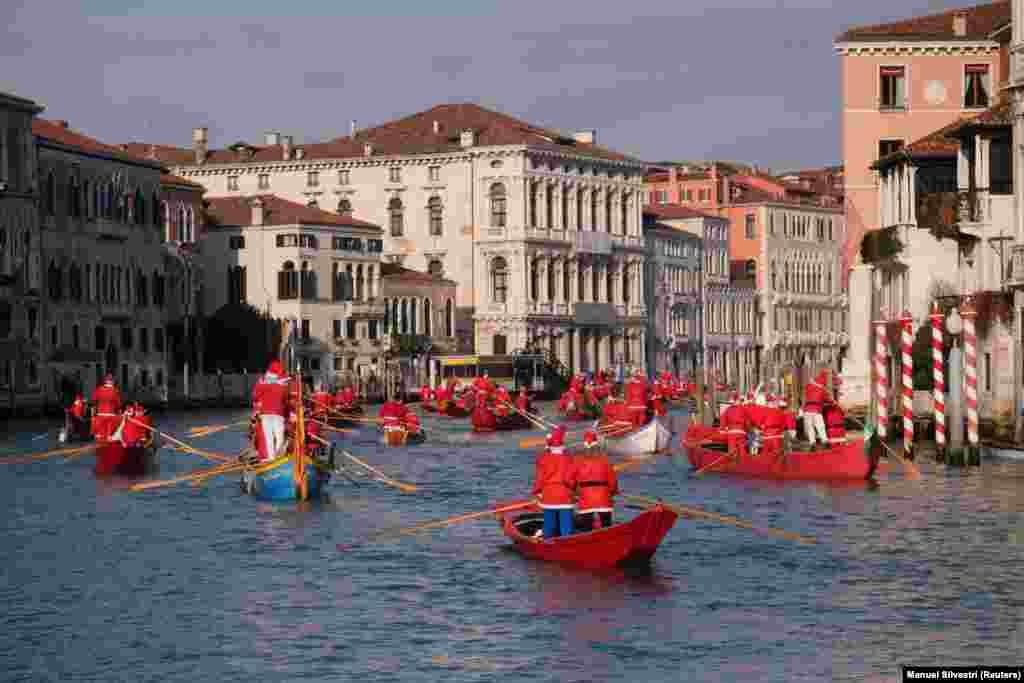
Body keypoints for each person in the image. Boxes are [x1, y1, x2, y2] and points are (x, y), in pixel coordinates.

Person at [531, 426, 576, 539]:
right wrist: (575, 492)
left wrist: (536, 491)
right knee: (566, 527)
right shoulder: (569, 459)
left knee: (549, 526)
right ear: (563, 446)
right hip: (565, 495)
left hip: (549, 495)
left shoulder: (543, 459)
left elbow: (540, 478)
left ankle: (547, 541)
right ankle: (567, 543)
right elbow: (572, 478)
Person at [573, 430, 619, 531]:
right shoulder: (605, 460)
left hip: (585, 498)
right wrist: (613, 493)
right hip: (603, 497)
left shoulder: (577, 460)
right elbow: (612, 481)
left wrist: (575, 494)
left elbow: (573, 481)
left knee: (587, 528)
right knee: (607, 526)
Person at [253, 360, 290, 460]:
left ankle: (271, 458)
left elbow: (255, 396)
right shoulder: (282, 386)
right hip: (278, 414)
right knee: (279, 437)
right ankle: (278, 457)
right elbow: (286, 399)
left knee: (269, 437)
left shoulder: (263, 384)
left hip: (265, 414)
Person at [802, 369, 830, 449]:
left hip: (807, 410)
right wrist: (832, 402)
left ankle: (812, 443)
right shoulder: (822, 389)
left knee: (810, 427)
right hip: (816, 410)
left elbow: (807, 390)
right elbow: (827, 399)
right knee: (820, 426)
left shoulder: (809, 386)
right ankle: (825, 441)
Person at [91, 374, 123, 441]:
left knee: (101, 432)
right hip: (111, 413)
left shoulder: (99, 389)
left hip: (100, 413)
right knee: (109, 432)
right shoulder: (115, 390)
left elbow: (94, 400)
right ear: (112, 382)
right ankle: (108, 438)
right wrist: (119, 410)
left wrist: (94, 411)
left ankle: (99, 441)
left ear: (105, 381)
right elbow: (118, 403)